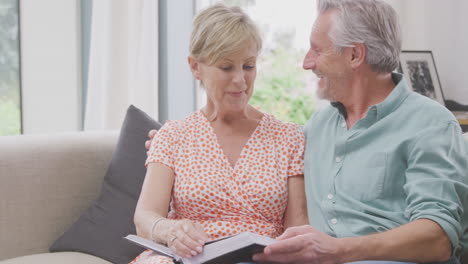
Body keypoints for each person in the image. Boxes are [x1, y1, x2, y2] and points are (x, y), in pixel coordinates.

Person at [252, 0, 468, 264]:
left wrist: (337, 250)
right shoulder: (318, 125)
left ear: (355, 55)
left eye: (317, 50)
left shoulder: (430, 124)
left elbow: (437, 238)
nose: (307, 63)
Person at [131, 4, 308, 264]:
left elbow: (297, 229)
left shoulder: (287, 137)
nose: (240, 80)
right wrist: (170, 231)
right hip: (186, 258)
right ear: (195, 67)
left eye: (248, 66)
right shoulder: (173, 136)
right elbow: (144, 216)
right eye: (226, 68)